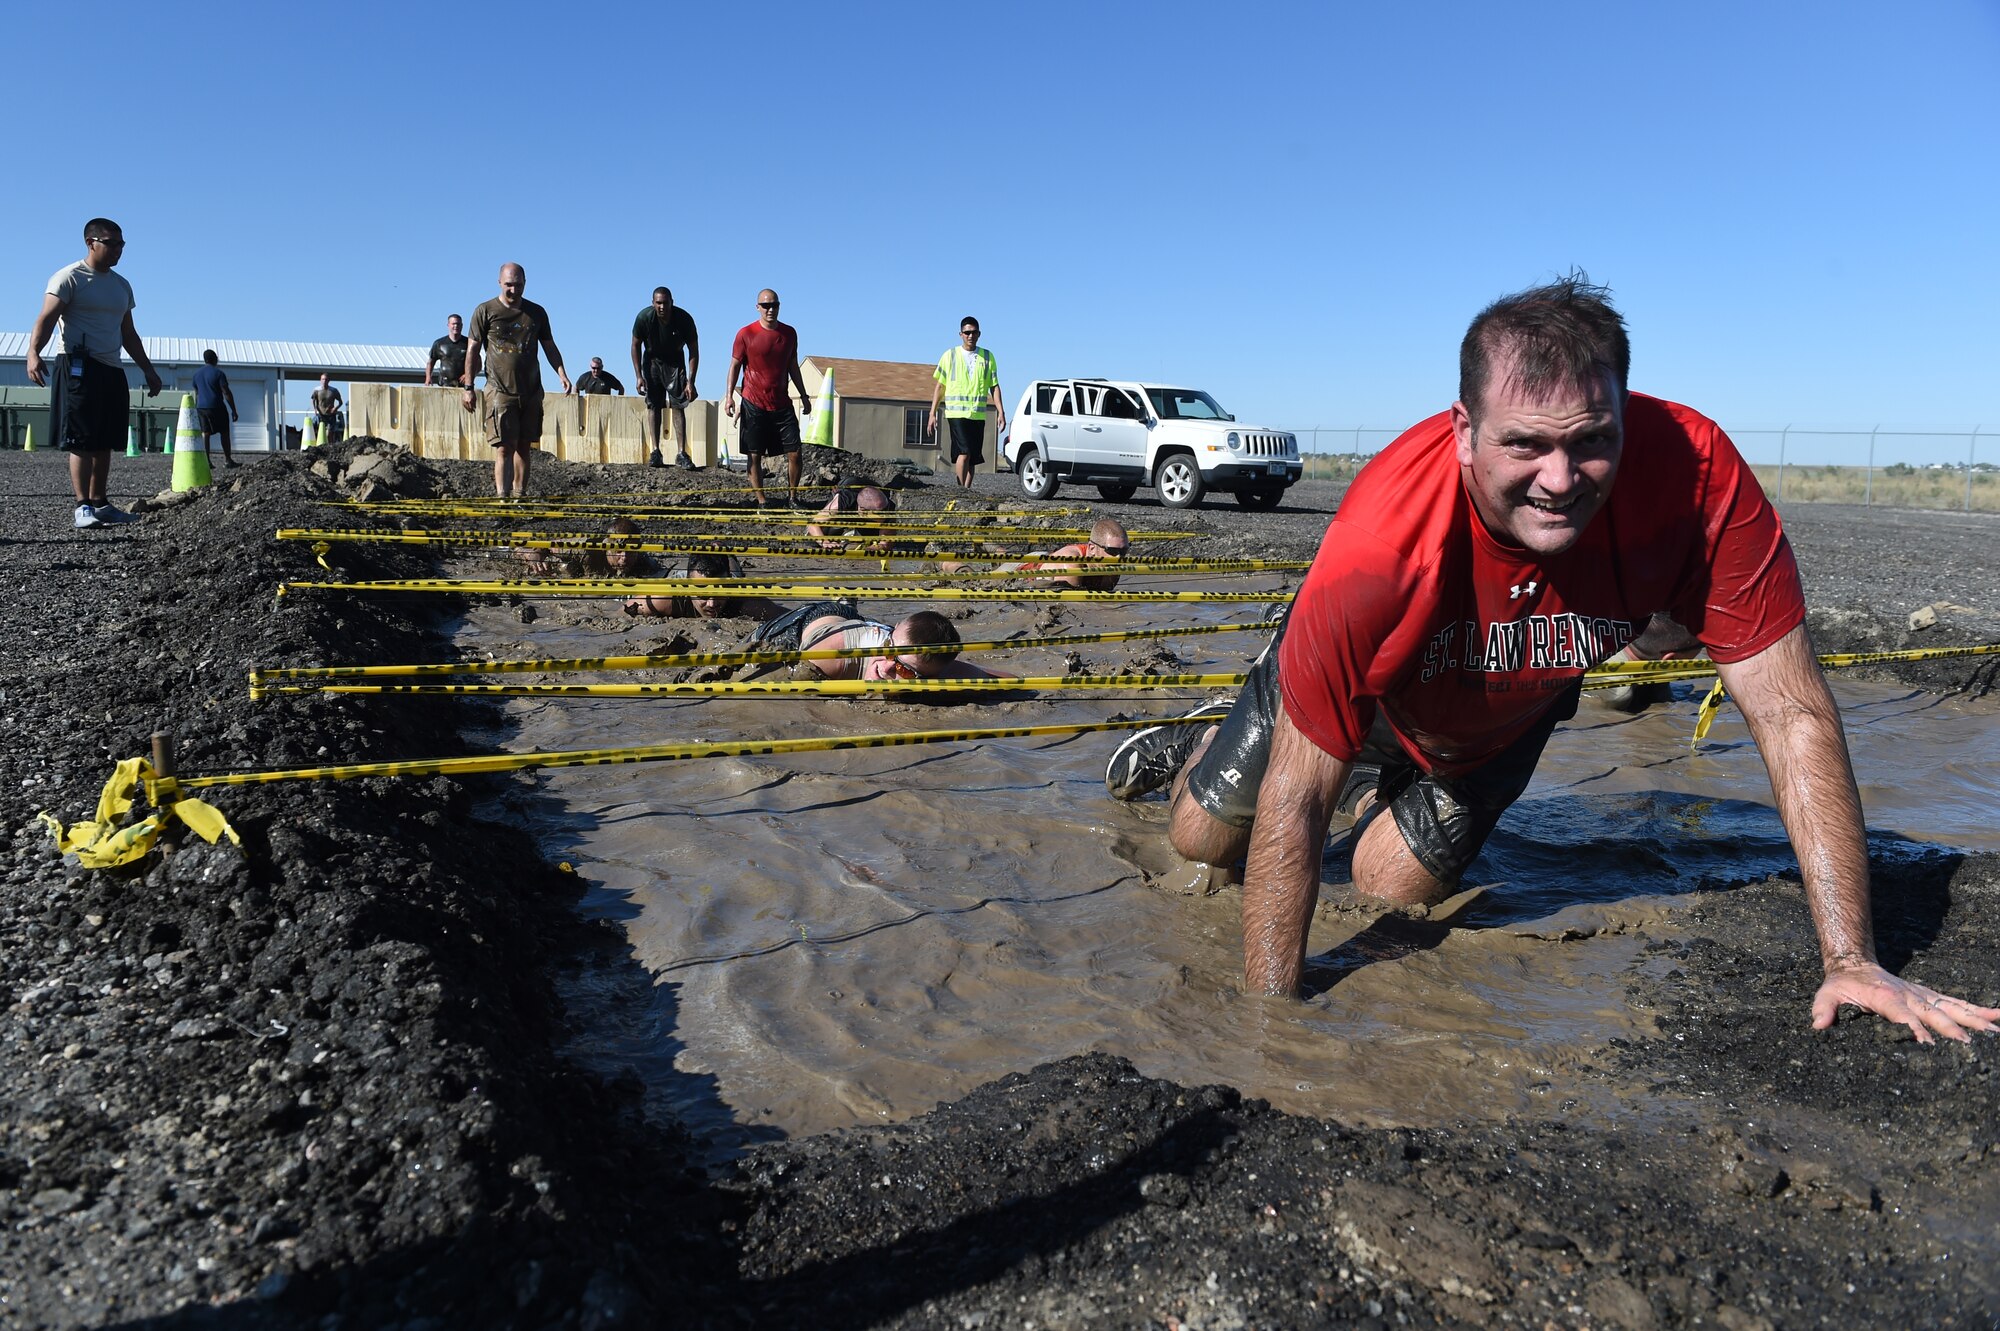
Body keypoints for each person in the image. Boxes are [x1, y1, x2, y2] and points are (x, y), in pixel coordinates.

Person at [1105, 276, 1999, 1045]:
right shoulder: (1381, 538)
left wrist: (1853, 960)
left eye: (1591, 439)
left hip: (1494, 726)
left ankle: (1390, 794)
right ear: (1464, 431)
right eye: (1525, 444)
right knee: (1204, 840)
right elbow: (1297, 799)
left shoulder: (1700, 484)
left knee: (1389, 890)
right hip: (1365, 691)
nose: (1562, 478)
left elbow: (1792, 713)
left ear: (1624, 414)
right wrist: (1269, 1028)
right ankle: (1205, 734)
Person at [24, 217, 163, 529]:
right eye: (111, 243)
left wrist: (149, 370)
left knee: (106, 439)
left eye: (121, 244)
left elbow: (129, 334)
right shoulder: (69, 278)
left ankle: (100, 503)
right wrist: (33, 353)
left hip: (111, 368)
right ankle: (82, 506)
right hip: (78, 366)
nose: (118, 250)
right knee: (82, 438)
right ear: (91, 243)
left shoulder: (121, 285)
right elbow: (46, 318)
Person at [464, 262, 571, 499]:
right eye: (509, 285)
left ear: (525, 283)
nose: (513, 290)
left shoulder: (537, 313)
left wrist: (561, 373)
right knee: (504, 446)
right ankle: (503, 498)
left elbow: (549, 347)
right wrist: (468, 387)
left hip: (531, 390)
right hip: (500, 390)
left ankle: (519, 495)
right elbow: (472, 350)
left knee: (524, 446)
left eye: (518, 285)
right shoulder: (485, 310)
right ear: (500, 283)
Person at [724, 288, 811, 507]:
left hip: (781, 403)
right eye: (766, 305)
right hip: (754, 402)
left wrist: (804, 395)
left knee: (795, 452)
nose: (770, 309)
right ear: (758, 308)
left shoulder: (789, 334)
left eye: (774, 305)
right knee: (754, 454)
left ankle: (792, 498)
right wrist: (729, 397)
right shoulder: (746, 333)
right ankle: (762, 501)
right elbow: (734, 366)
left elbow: (792, 365)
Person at [788, 608, 1018, 682]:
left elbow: (1012, 681)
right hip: (812, 622)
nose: (887, 668)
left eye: (904, 670)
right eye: (889, 651)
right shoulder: (826, 660)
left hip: (863, 625)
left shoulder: (935, 666)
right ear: (895, 628)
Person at [941, 517, 1129, 589]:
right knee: (975, 580)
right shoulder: (1073, 565)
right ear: (1093, 548)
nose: (1120, 557)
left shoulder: (1115, 562)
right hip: (1024, 570)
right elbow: (1074, 607)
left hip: (1043, 558)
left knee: (1007, 559)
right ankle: (942, 561)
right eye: (1112, 551)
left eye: (1124, 551)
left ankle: (987, 545)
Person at [927, 316, 1005, 489]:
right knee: (964, 453)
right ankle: (960, 490)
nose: (971, 336)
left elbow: (994, 386)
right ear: (960, 334)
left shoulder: (987, 356)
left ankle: (967, 492)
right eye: (967, 332)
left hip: (977, 414)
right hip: (956, 414)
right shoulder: (950, 355)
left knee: (973, 456)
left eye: (974, 332)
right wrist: (932, 413)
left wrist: (1001, 411)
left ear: (979, 334)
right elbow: (940, 386)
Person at [631, 286, 700, 469]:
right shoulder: (644, 318)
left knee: (678, 404)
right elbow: (635, 345)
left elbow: (694, 350)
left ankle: (681, 452)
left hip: (675, 361)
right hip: (652, 361)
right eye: (658, 303)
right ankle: (655, 451)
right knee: (654, 404)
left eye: (665, 303)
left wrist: (691, 381)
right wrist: (638, 376)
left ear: (672, 302)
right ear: (653, 303)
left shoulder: (684, 319)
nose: (662, 307)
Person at [624, 552, 784, 621]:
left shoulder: (747, 603)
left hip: (731, 576)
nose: (712, 604)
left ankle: (720, 548)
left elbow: (792, 617)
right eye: (703, 594)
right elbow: (621, 613)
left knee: (731, 564)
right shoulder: (663, 600)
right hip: (679, 572)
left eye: (720, 592)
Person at [806, 484, 899, 552]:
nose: (885, 514)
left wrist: (866, 550)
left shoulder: (887, 507)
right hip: (848, 489)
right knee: (813, 539)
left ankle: (851, 535)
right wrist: (825, 542)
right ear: (863, 511)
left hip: (869, 519)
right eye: (880, 513)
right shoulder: (844, 501)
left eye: (885, 509)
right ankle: (839, 530)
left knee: (866, 542)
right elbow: (813, 524)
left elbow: (885, 545)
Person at [192, 349, 239, 467]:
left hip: (201, 407)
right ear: (215, 359)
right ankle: (228, 460)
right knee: (224, 432)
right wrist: (233, 409)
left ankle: (206, 461)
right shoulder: (218, 373)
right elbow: (226, 392)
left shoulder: (196, 375)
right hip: (217, 406)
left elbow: (197, 392)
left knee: (205, 433)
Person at [426, 314, 468, 388]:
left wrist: (468, 374)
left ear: (462, 325)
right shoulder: (439, 343)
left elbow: (478, 363)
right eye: (453, 324)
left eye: (458, 324)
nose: (456, 326)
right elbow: (430, 362)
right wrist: (428, 377)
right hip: (444, 385)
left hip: (463, 386)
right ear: (448, 325)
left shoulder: (468, 343)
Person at [310, 374, 343, 444]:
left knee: (329, 433)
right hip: (321, 414)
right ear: (320, 380)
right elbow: (313, 400)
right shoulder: (316, 390)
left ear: (329, 381)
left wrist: (335, 408)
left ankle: (331, 446)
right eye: (323, 379)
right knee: (319, 431)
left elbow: (340, 402)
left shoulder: (334, 390)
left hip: (331, 414)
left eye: (326, 379)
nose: (324, 381)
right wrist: (315, 409)